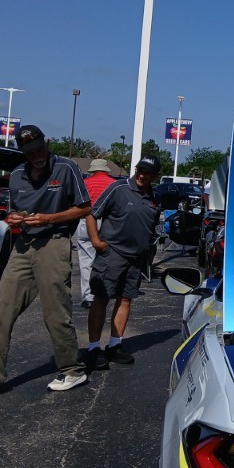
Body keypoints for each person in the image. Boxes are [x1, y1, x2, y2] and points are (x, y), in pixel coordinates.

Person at [0, 124, 91, 398]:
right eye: (30, 152)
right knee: (0, 311)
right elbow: (14, 211)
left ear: (46, 143)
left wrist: (49, 218)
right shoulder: (16, 175)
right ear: (23, 152)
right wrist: (13, 219)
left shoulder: (66, 168)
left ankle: (72, 370)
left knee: (55, 313)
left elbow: (84, 208)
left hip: (54, 242)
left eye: (39, 148)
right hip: (23, 246)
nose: (37, 155)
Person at [83, 155, 162, 370]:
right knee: (101, 298)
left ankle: (115, 345)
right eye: (139, 170)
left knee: (125, 300)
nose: (141, 175)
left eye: (147, 173)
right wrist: (97, 242)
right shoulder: (118, 188)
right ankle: (93, 348)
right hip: (112, 254)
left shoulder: (156, 197)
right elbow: (91, 213)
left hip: (136, 259)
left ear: (155, 176)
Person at [75, 158, 115, 307]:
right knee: (107, 259)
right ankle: (104, 292)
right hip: (107, 223)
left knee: (86, 260)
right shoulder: (114, 184)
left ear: (92, 170)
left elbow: (78, 204)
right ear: (106, 170)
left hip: (86, 221)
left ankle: (89, 296)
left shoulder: (85, 184)